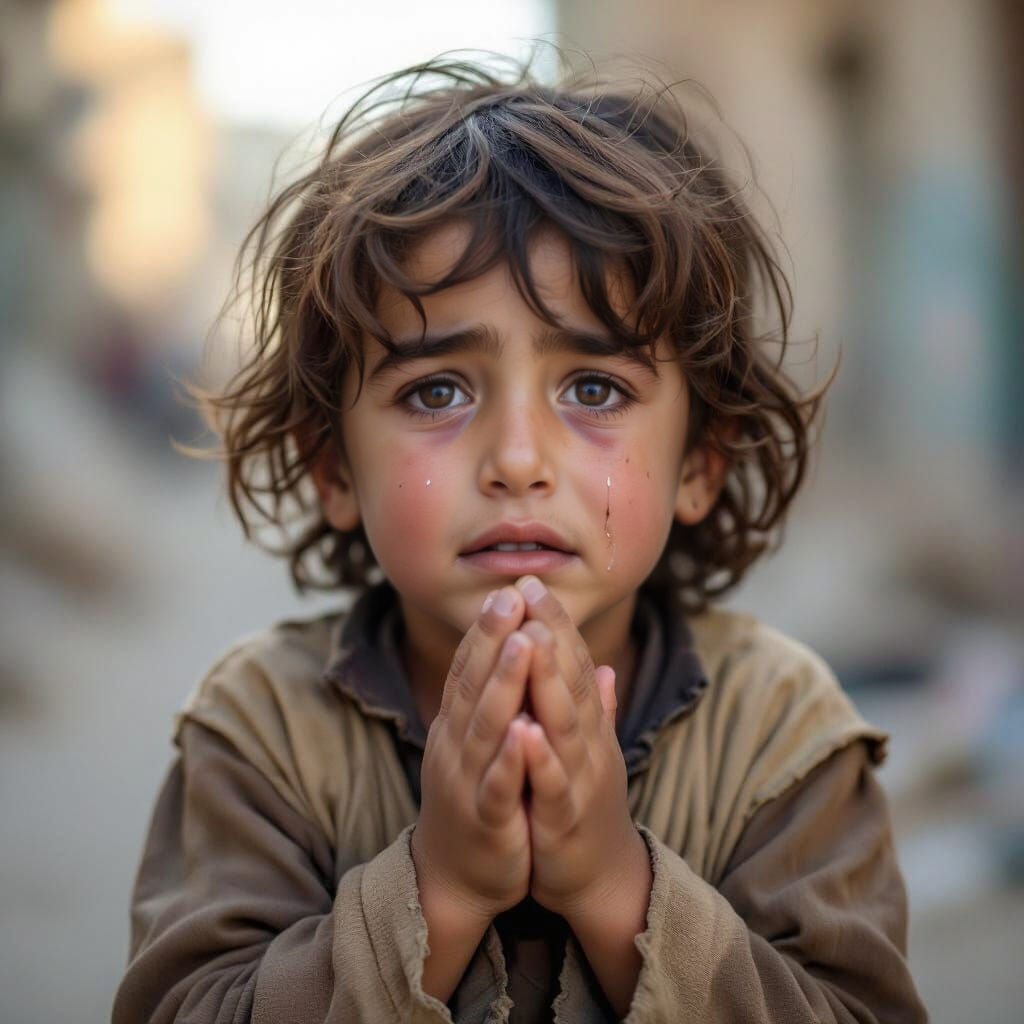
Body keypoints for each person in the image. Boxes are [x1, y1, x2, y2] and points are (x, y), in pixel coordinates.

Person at [112, 54, 928, 1023]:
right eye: (436, 391)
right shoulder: (264, 733)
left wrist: (616, 886)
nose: (515, 459)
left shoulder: (779, 737)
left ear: (700, 461)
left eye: (594, 388)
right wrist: (439, 889)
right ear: (333, 466)